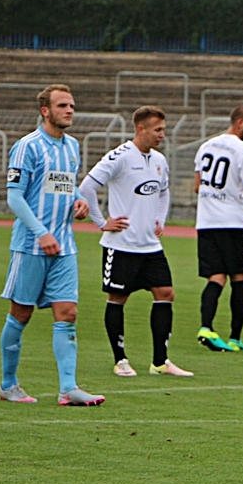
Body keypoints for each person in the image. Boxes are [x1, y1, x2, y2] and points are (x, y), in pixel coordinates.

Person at [0, 84, 105, 406]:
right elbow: (14, 197)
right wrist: (41, 232)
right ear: (45, 111)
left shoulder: (72, 146)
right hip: (32, 245)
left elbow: (64, 187)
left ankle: (68, 388)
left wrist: (79, 203)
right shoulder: (26, 147)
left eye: (72, 105)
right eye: (62, 105)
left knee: (68, 313)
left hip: (65, 246)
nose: (70, 110)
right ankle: (8, 384)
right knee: (21, 313)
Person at [80, 106, 193, 378]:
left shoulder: (159, 160)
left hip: (150, 247)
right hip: (121, 245)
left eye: (163, 130)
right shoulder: (119, 156)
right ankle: (121, 360)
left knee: (166, 293)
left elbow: (163, 193)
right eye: (158, 130)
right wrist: (101, 222)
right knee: (118, 297)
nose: (162, 135)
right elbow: (86, 187)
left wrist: (159, 220)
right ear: (141, 129)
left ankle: (160, 362)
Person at [193, 104, 243, 352]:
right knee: (239, 277)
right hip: (232, 222)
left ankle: (206, 327)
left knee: (216, 277)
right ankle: (235, 338)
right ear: (240, 123)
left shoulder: (206, 146)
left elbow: (197, 186)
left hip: (207, 222)